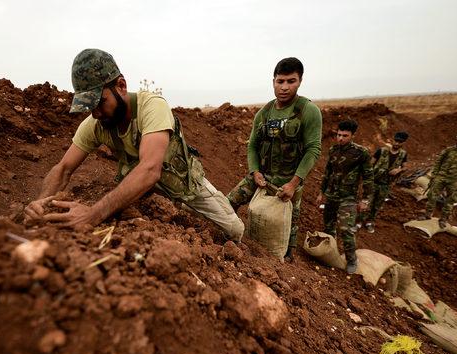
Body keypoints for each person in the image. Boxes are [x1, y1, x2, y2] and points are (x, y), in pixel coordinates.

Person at [24, 49, 244, 241]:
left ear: (121, 86)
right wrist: (39, 204)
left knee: (235, 230)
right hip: (145, 191)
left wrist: (92, 214)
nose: (96, 113)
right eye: (89, 107)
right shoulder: (96, 124)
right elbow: (63, 169)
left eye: (100, 103)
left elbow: (150, 169)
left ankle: (185, 207)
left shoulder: (152, 106)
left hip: (183, 185)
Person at [227, 57, 322, 258]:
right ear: (273, 81)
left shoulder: (308, 111)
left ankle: (283, 267)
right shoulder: (264, 113)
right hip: (261, 177)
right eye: (280, 81)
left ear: (300, 81)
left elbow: (313, 150)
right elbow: (252, 145)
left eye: (291, 81)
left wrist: (294, 184)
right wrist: (255, 171)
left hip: (288, 183)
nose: (285, 87)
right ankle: (219, 240)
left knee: (288, 237)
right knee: (227, 205)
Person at [315, 119, 373, 274]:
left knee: (345, 229)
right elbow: (327, 173)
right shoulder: (333, 150)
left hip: (348, 198)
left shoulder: (361, 153)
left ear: (352, 136)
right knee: (329, 227)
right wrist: (322, 192)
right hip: (332, 195)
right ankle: (329, 254)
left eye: (345, 136)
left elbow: (368, 177)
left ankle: (352, 260)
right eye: (339, 135)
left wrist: (365, 199)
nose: (340, 138)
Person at [419, 128, 457, 229]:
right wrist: (435, 174)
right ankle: (427, 215)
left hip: (456, 179)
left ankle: (443, 219)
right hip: (441, 176)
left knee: (450, 200)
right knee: (432, 195)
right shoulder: (449, 150)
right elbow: (438, 161)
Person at [359, 131, 409, 233]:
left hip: (386, 185)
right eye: (396, 141)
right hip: (374, 182)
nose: (397, 143)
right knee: (366, 202)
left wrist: (398, 170)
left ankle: (370, 222)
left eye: (400, 142)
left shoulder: (403, 155)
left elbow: (405, 167)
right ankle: (358, 221)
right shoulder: (381, 151)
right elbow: (370, 165)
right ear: (392, 140)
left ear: (403, 143)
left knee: (377, 205)